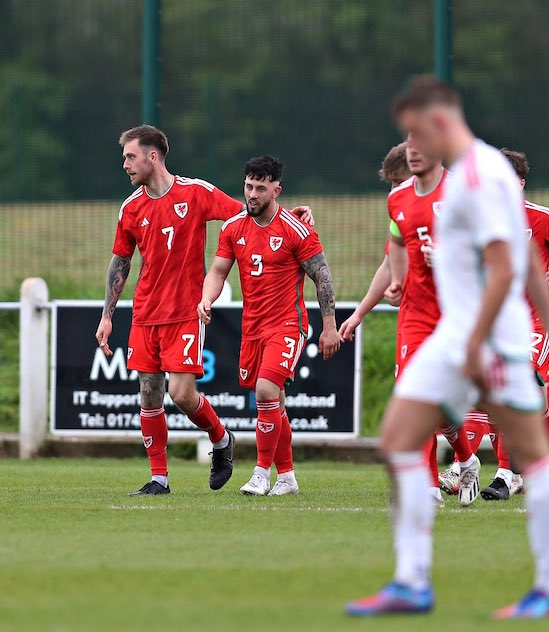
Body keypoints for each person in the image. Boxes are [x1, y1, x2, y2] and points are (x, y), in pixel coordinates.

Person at [346, 76, 549, 618]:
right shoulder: (455, 182)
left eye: (415, 132)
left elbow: (513, 266)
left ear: (439, 123)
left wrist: (477, 344)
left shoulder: (483, 178)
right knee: (397, 440)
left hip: (491, 338)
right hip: (457, 332)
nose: (410, 145)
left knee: (532, 458)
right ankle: (412, 581)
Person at [95, 125, 313, 495]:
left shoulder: (195, 192)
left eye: (130, 157)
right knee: (148, 391)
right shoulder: (130, 208)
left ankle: (221, 437)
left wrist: (288, 216)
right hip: (146, 312)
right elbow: (121, 263)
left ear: (153, 156)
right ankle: (159, 479)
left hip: (185, 313)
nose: (125, 165)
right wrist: (107, 315)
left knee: (181, 394)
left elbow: (246, 214)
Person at [343, 139, 479, 507]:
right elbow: (392, 257)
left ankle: (468, 459)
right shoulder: (398, 202)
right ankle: (429, 488)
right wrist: (366, 307)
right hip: (415, 316)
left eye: (395, 180)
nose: (393, 190)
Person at [198, 155, 341, 496]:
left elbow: (321, 275)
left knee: (265, 391)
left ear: (277, 190)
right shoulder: (233, 228)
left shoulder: (296, 229)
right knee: (275, 403)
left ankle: (261, 472)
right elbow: (218, 271)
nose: (252, 194)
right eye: (249, 186)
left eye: (261, 188)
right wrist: (206, 299)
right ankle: (287, 478)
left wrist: (330, 325)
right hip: (252, 328)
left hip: (288, 325)